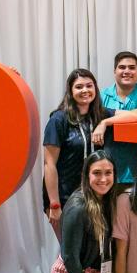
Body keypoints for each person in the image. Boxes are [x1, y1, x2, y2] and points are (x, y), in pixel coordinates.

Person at [43, 69, 115, 240]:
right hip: (64, 195)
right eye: (79, 87)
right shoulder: (58, 120)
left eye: (89, 86)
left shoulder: (100, 115)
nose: (85, 90)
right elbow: (49, 164)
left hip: (94, 195)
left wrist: (105, 122)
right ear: (70, 91)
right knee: (70, 252)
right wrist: (54, 204)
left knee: (90, 252)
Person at [93, 51, 137, 186]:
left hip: (135, 171)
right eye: (122, 67)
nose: (127, 71)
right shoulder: (102, 95)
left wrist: (106, 122)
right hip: (105, 173)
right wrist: (132, 117)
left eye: (132, 67)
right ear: (114, 71)